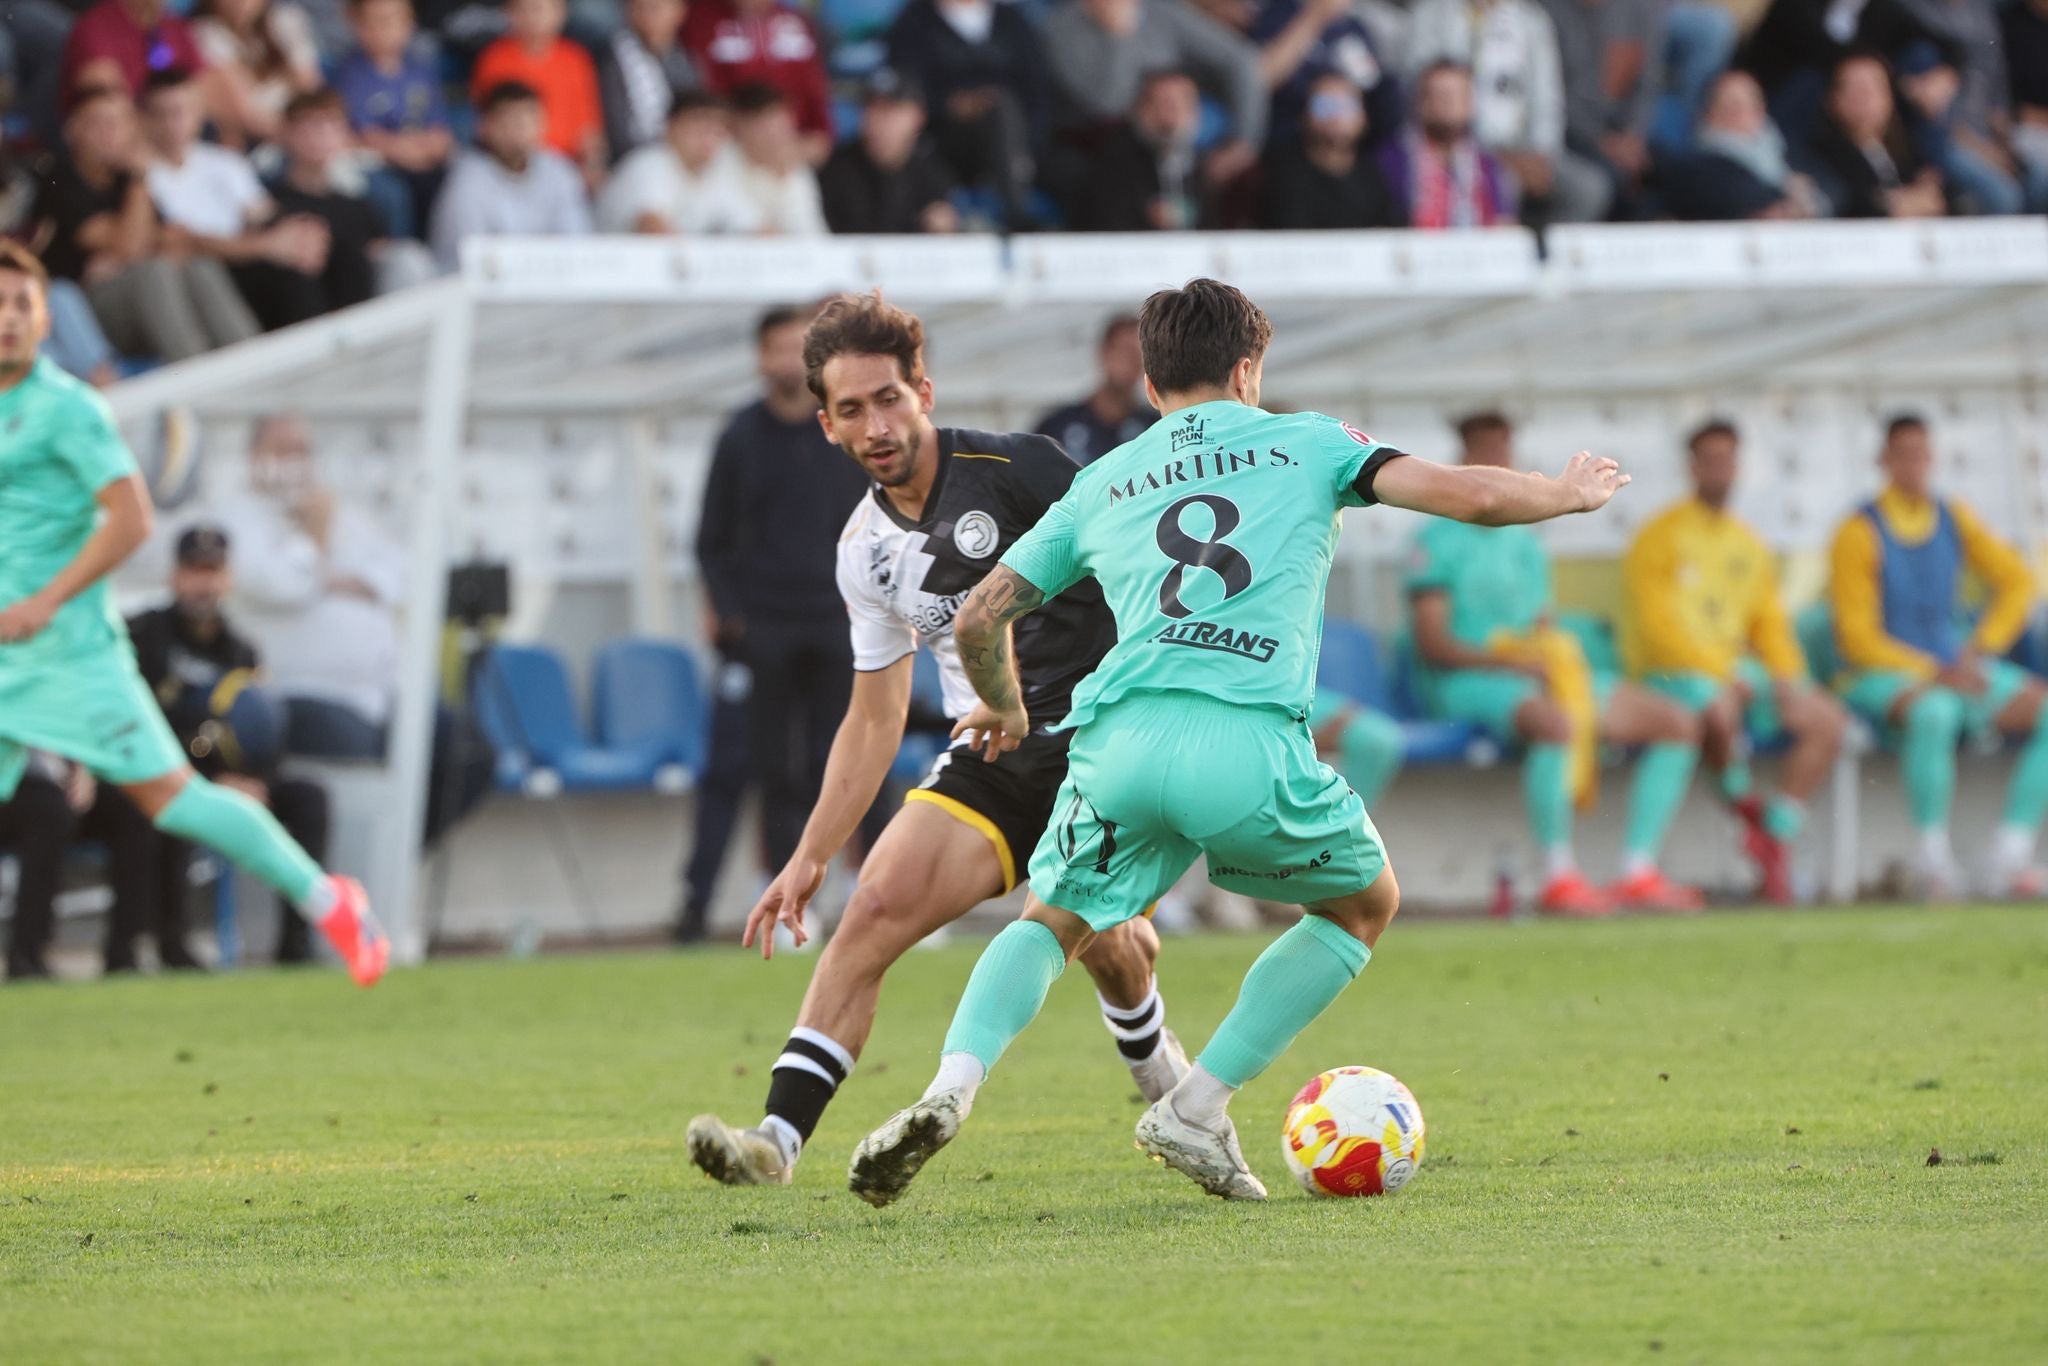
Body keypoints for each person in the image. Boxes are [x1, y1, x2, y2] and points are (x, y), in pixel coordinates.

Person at [842, 278, 1630, 1207]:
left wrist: (1008, 712)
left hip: (1117, 742)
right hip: (1242, 743)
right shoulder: (1309, 442)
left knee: (1050, 920)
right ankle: (1196, 1104)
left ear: (1148, 379)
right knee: (1360, 907)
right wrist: (1566, 495)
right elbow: (1470, 497)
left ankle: (949, 1089)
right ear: (1249, 368)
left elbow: (979, 615)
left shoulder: (1103, 480)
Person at [685, 293, 1183, 1187]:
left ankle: (1170, 1091)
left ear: (923, 390)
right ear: (828, 427)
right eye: (850, 410)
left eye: (888, 399)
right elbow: (874, 716)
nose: (875, 425)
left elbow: (1139, 570)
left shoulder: (1020, 467)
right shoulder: (864, 551)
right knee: (870, 913)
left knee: (1106, 943)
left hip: (1105, 744)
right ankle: (776, 1143)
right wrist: (809, 855)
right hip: (992, 758)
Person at [0, 243, 387, 987]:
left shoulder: (69, 408)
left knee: (173, 800)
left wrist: (45, 601)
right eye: (0, 304)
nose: (10, 318)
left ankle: (329, 900)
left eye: (23, 303)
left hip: (70, 654)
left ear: (47, 317)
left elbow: (132, 520)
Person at [1406, 412, 1703, 916]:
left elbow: (1540, 626)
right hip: (1468, 681)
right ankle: (1558, 874)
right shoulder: (1435, 540)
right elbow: (1434, 644)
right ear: (1462, 457)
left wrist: (1548, 660)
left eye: (1502, 449)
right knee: (1555, 722)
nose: (1494, 460)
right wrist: (1513, 664)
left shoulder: (1525, 540)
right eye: (1483, 449)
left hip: (1533, 673)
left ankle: (1637, 869)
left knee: (1677, 722)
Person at [678, 304, 874, 942]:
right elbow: (709, 541)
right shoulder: (739, 437)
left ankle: (869, 892)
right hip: (766, 631)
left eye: (800, 348)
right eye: (778, 348)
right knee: (777, 771)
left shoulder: (840, 433)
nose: (789, 361)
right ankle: (794, 907)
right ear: (761, 358)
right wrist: (733, 618)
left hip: (836, 622)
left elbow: (873, 522)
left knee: (845, 761)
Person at [210, 414, 494, 845]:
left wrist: (329, 574)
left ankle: (398, 856)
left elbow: (403, 575)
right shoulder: (236, 521)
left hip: (379, 692)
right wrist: (317, 541)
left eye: (303, 451)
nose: (295, 462)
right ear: (254, 458)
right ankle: (368, 862)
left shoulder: (339, 513)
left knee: (472, 754)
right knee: (374, 745)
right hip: (294, 694)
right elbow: (282, 585)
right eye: (281, 450)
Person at [1622, 421, 1848, 903]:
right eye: (1711, 459)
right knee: (1715, 710)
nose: (1721, 469)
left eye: (1729, 459)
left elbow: (1770, 625)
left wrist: (1788, 678)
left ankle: (1776, 831)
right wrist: (1725, 677)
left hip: (1738, 676)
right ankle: (1747, 810)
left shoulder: (1747, 542)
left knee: (1826, 719)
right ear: (1693, 466)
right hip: (1675, 677)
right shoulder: (1658, 536)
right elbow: (1657, 629)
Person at [1826, 414, 2046, 898]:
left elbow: (2017, 580)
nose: (1915, 464)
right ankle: (1932, 854)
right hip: (1879, 674)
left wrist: (1982, 646)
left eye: (1922, 453)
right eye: (1904, 453)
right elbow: (1857, 636)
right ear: (1883, 460)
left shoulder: (1954, 516)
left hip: (1954, 666)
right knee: (1935, 712)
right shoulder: (1857, 531)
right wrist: (1932, 672)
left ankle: (2010, 850)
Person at [124, 526, 333, 965]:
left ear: (228, 578)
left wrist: (255, 778)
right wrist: (215, 775)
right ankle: (171, 943)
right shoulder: (145, 637)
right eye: (195, 572)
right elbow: (144, 724)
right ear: (176, 576)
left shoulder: (241, 649)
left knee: (309, 798)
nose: (204, 584)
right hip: (176, 769)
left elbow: (264, 725)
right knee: (180, 802)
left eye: (213, 572)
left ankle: (295, 948)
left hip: (235, 774)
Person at [33, 84, 261, 363]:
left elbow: (175, 240)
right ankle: (196, 374)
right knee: (156, 270)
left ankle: (253, 360)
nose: (109, 133)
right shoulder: (61, 180)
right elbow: (130, 248)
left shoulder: (122, 177)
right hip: (85, 315)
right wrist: (140, 181)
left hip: (138, 297)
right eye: (98, 124)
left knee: (200, 265)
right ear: (73, 131)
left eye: (117, 122)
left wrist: (135, 248)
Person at [138, 67, 330, 331]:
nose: (173, 123)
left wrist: (301, 235)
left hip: (248, 257)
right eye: (162, 114)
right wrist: (266, 246)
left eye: (181, 111)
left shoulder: (226, 161)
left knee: (312, 246)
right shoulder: (142, 177)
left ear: (198, 113)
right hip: (207, 275)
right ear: (146, 119)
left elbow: (262, 213)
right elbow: (185, 243)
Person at [1405, 0, 1610, 224]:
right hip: (1453, 146)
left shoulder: (1531, 19)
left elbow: (1547, 98)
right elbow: (1420, 94)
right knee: (1502, 183)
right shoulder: (1431, 13)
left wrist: (1542, 155)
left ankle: (1547, 256)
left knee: (1589, 189)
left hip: (1522, 147)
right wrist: (1486, 156)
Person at [1042, 0, 1266, 177]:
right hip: (1099, 147)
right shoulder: (1061, 26)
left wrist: (1244, 142)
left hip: (1174, 142)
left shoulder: (1159, 11)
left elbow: (1242, 60)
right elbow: (1108, 106)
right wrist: (1119, 35)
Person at [267, 88, 435, 311]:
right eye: (307, 126)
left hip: (368, 316)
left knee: (408, 258)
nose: (319, 136)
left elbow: (378, 250)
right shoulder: (274, 205)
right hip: (311, 323)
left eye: (329, 125)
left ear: (343, 133)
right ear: (286, 133)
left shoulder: (355, 203)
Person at [884, 0, 1049, 226]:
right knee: (999, 111)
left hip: (1013, 140)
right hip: (943, 141)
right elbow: (905, 92)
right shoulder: (914, 21)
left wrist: (1029, 141)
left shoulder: (1011, 21)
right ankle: (1016, 212)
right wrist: (954, 104)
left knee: (1003, 109)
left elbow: (1036, 92)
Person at [429, 80, 592, 271]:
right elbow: (463, 261)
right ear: (485, 126)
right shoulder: (466, 180)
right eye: (510, 120)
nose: (520, 129)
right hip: (481, 293)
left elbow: (579, 246)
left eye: (529, 118)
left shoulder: (560, 171)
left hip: (553, 290)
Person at [333, 0, 455, 237]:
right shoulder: (351, 75)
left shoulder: (421, 71)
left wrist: (425, 151)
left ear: (410, 24)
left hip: (423, 161)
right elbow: (364, 134)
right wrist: (404, 152)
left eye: (395, 19)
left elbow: (441, 132)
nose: (387, 28)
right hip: (378, 164)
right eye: (378, 21)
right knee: (394, 193)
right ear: (358, 26)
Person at [1656, 69, 1824, 220]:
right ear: (1710, 112)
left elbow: (1833, 191)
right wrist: (1790, 195)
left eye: (1751, 104)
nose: (1742, 113)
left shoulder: (1783, 150)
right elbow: (1740, 197)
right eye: (1734, 105)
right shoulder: (1699, 163)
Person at [681, 0, 834, 164]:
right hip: (724, 150)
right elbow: (700, 94)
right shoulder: (697, 18)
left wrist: (813, 141)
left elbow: (817, 105)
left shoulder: (797, 23)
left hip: (788, 152)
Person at [470, 0, 606, 183]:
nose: (532, 17)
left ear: (560, 13)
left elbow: (590, 133)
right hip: (510, 166)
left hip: (567, 168)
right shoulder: (493, 59)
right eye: (523, 9)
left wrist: (592, 166)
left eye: (539, 9)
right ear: (509, 13)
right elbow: (484, 126)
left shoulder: (576, 59)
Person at [1800, 51, 1946, 219]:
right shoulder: (1819, 155)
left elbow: (1939, 195)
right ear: (1831, 99)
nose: (1865, 97)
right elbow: (1853, 202)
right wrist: (1899, 204)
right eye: (1854, 88)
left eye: (1874, 86)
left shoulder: (1909, 150)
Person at [595, 90, 758, 234]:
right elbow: (652, 227)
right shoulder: (649, 163)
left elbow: (754, 228)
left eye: (718, 128)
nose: (709, 137)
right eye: (699, 125)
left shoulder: (718, 172)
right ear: (671, 127)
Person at [818, 69, 958, 235]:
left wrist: (943, 229)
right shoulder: (834, 169)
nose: (881, 121)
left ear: (918, 116)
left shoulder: (931, 173)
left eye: (892, 110)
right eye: (872, 109)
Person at [1376, 61, 1515, 228]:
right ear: (1421, 103)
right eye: (1441, 95)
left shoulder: (1489, 167)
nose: (1450, 103)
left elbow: (1505, 223)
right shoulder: (1392, 162)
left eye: (1458, 96)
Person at [1071, 68, 1212, 231]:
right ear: (1139, 108)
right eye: (1159, 104)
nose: (1168, 116)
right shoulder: (1113, 162)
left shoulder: (1205, 165)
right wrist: (1144, 216)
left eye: (1178, 104)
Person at [1260, 69, 1405, 229]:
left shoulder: (1374, 176)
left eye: (1347, 106)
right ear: (1304, 117)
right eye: (1324, 106)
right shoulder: (1282, 177)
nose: (1335, 117)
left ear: (1363, 118)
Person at [190, 0, 322, 149]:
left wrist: (314, 133)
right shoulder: (205, 32)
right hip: (259, 139)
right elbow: (248, 115)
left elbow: (310, 92)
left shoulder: (287, 19)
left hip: (303, 131)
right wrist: (298, 140)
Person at [1033, 313, 1156, 467]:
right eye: (1125, 351)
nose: (1132, 361)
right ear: (1103, 353)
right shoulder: (1058, 425)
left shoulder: (1154, 429)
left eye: (1141, 354)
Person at [596, 0, 702, 163]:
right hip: (635, 159)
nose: (648, 15)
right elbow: (618, 133)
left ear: (679, 11)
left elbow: (699, 113)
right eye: (639, 8)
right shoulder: (612, 59)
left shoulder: (687, 61)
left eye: (656, 8)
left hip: (683, 155)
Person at [60, 0, 207, 109]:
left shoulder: (175, 26)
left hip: (175, 133)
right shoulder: (97, 26)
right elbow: (101, 94)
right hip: (121, 138)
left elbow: (203, 84)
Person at [727, 82, 827, 236]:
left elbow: (811, 232)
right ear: (740, 125)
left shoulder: (795, 168)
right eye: (764, 125)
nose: (775, 135)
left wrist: (784, 180)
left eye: (781, 124)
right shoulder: (722, 162)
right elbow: (741, 225)